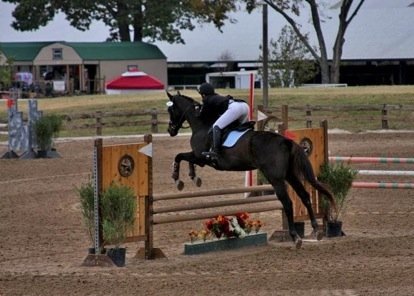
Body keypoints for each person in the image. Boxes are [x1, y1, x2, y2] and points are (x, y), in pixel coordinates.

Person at [198, 82, 250, 160]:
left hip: (235, 108)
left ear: (203, 94)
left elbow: (203, 117)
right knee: (242, 129)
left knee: (216, 126)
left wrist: (197, 111)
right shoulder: (216, 96)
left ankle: (216, 152)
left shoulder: (207, 99)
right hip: (244, 106)